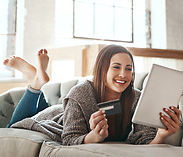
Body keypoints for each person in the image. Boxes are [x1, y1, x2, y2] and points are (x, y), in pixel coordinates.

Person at [3, 45, 181, 145]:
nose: (124, 74)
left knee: (42, 106)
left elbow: (145, 140)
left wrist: (161, 136)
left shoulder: (135, 99)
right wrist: (93, 137)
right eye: (116, 67)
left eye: (129, 69)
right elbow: (70, 138)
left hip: (62, 109)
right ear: (102, 69)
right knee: (12, 126)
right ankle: (35, 83)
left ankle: (34, 78)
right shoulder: (81, 93)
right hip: (57, 117)